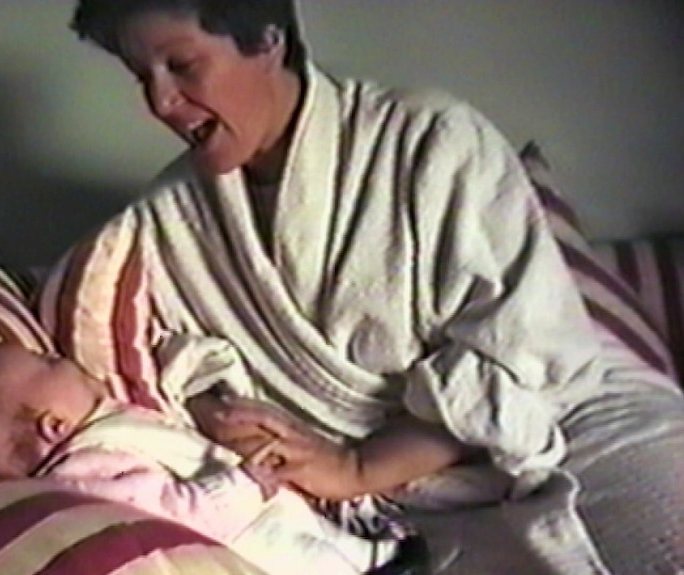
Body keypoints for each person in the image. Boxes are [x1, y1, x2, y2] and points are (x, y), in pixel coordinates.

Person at [65, 1, 684, 574]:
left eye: (182, 65)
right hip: (388, 502)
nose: (162, 103)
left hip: (570, 418)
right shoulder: (167, 218)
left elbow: (523, 346)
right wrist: (241, 425)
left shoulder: (430, 138)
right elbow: (176, 365)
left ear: (268, 40)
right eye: (140, 76)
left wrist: (357, 466)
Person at [0, 342, 425, 575]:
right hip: (240, 536)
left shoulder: (106, 430)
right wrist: (241, 486)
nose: (67, 359)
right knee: (305, 557)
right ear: (52, 425)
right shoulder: (85, 470)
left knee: (313, 534)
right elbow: (169, 514)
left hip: (261, 507)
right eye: (51, 363)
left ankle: (376, 557)